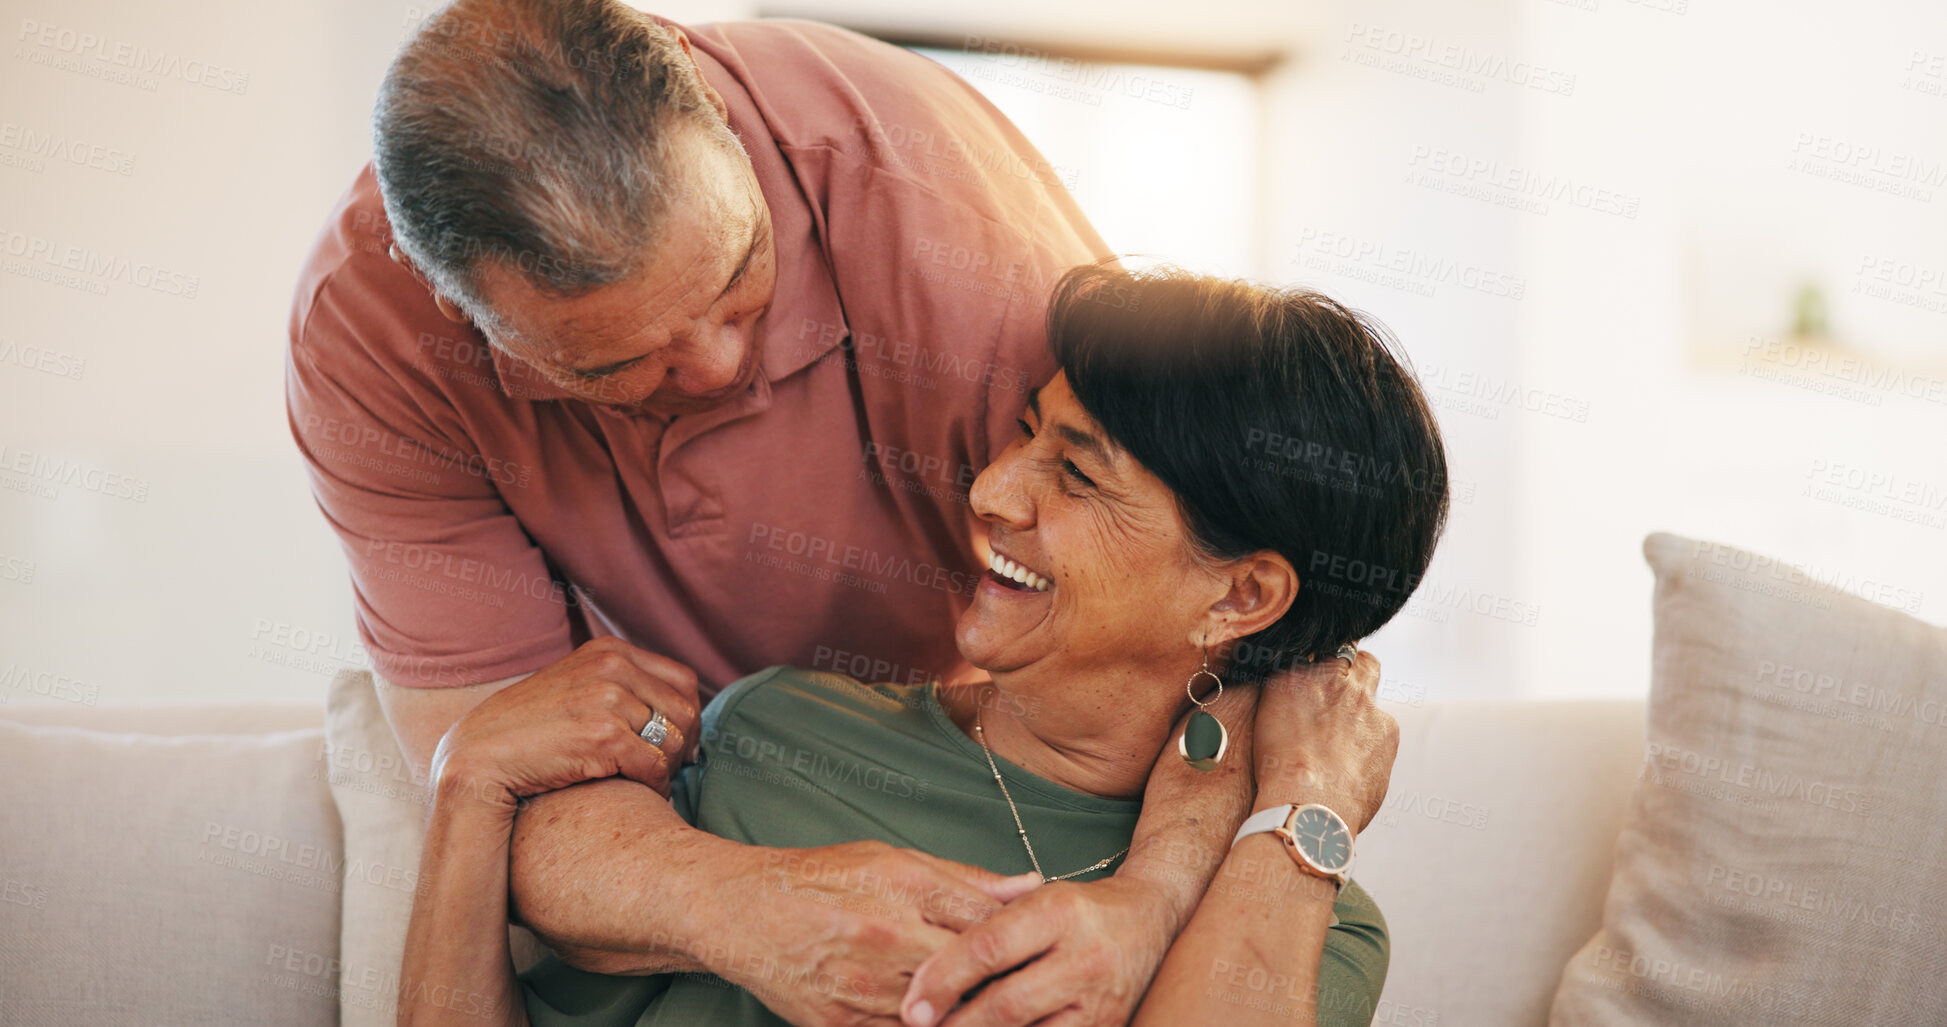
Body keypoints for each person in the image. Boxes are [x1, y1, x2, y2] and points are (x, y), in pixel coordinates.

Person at [287, 3, 1314, 1019]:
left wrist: (1150, 903)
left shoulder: (966, 247)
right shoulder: (369, 338)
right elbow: (505, 759)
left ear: (726, 127)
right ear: (469, 318)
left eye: (740, 280)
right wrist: (741, 905)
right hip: (671, 767)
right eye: (616, 364)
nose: (721, 366)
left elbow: (1209, 611)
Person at [398, 264, 1452, 1027]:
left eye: (1076, 476)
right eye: (1026, 432)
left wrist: (1306, 802)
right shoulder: (780, 729)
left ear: (1242, 595)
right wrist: (467, 783)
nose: (992, 491)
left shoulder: (1300, 920)